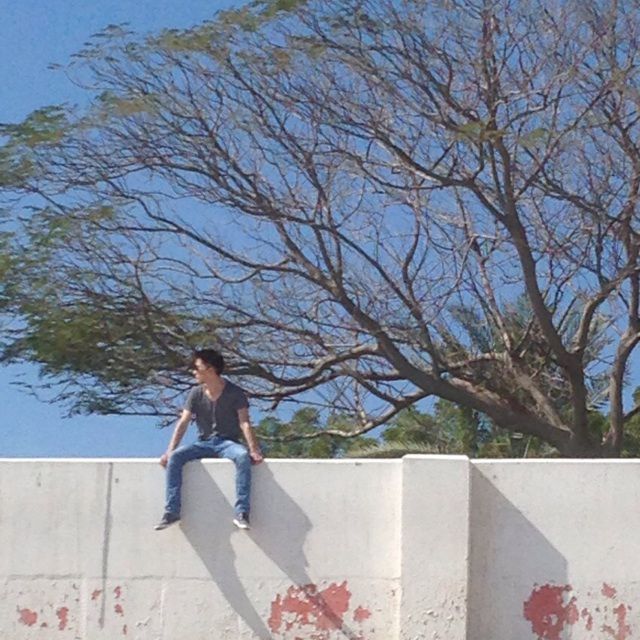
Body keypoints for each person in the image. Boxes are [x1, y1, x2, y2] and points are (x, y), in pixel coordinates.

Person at [155, 348, 263, 531]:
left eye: (197, 367)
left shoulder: (235, 393)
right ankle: (172, 512)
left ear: (210, 369)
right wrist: (170, 451)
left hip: (228, 443)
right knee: (176, 457)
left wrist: (253, 449)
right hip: (203, 443)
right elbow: (183, 422)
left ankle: (242, 512)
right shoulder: (195, 393)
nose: (193, 372)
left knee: (242, 456)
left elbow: (244, 422)